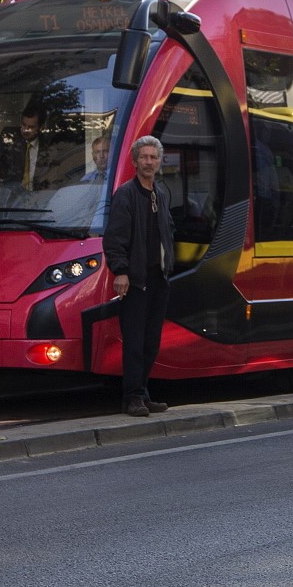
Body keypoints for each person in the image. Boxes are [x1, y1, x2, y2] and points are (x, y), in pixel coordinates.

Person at [103, 135, 175, 417]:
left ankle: (142, 393)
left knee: (151, 342)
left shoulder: (162, 193)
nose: (148, 162)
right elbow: (115, 238)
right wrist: (120, 271)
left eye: (153, 157)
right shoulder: (126, 194)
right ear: (135, 162)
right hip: (135, 280)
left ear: (159, 162)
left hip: (159, 279)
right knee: (134, 341)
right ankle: (132, 397)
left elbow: (167, 231)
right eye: (143, 157)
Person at [0, 104, 83, 191]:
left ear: (41, 128)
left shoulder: (49, 149)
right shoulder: (10, 137)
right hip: (9, 199)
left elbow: (53, 178)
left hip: (37, 199)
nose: (26, 130)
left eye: (31, 127)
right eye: (23, 125)